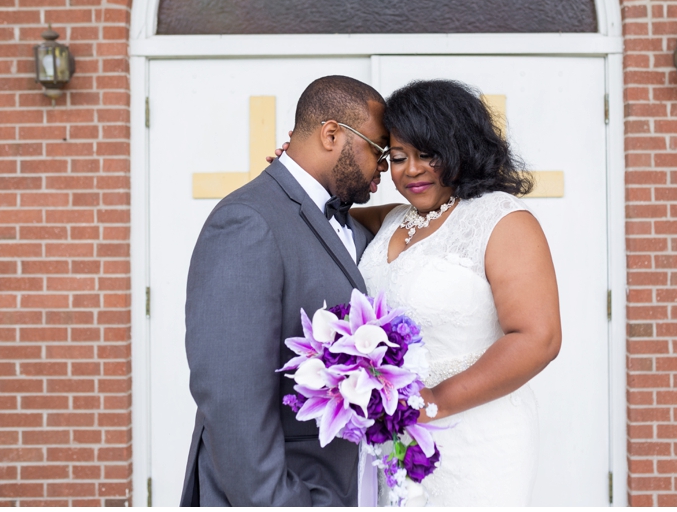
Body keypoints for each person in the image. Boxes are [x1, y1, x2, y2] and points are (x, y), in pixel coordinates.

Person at [180, 75, 391, 506]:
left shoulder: (356, 228)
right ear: (332, 134)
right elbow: (230, 397)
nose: (385, 170)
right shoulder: (248, 221)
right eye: (380, 151)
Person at [351, 79, 562, 505]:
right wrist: (295, 172)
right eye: (397, 157)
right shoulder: (391, 219)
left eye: (428, 154)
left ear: (460, 146)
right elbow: (323, 213)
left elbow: (538, 339)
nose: (411, 169)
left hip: (474, 434)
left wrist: (431, 404)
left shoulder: (501, 220)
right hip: (394, 437)